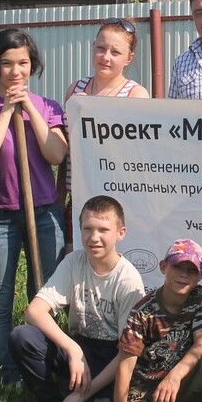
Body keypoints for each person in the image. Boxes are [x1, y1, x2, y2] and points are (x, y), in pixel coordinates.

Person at [0, 29, 68, 384]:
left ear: (32, 65)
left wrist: (29, 110)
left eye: (22, 63)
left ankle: (43, 368)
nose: (15, 71)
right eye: (7, 63)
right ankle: (7, 375)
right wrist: (7, 110)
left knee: (45, 296)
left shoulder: (48, 107)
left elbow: (56, 154)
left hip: (43, 213)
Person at [9, 195, 145, 402]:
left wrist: (82, 395)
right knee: (22, 336)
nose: (94, 237)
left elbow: (126, 354)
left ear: (121, 233)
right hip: (80, 348)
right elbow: (34, 311)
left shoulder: (128, 280)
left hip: (112, 359)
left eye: (103, 230)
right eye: (87, 229)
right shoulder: (73, 262)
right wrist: (73, 349)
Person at [105, 239, 202, 402]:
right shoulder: (142, 311)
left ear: (201, 275)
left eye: (191, 270)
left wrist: (174, 377)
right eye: (177, 267)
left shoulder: (200, 297)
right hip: (146, 388)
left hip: (182, 380)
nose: (184, 275)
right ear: (163, 267)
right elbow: (125, 365)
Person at [61, 18, 151, 250]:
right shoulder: (75, 89)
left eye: (115, 52)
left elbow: (136, 152)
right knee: (75, 257)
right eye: (101, 48)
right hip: (78, 196)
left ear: (129, 58)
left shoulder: (136, 95)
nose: (106, 57)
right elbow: (67, 147)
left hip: (117, 198)